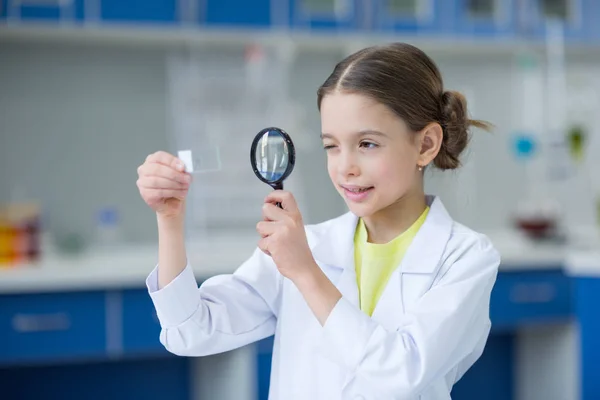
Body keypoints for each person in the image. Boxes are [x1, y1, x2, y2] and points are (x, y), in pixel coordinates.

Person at [136, 42, 501, 400]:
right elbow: (191, 331)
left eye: (368, 144)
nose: (345, 167)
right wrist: (170, 220)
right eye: (332, 146)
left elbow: (400, 373)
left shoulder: (466, 258)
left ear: (425, 144)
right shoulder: (307, 247)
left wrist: (306, 272)